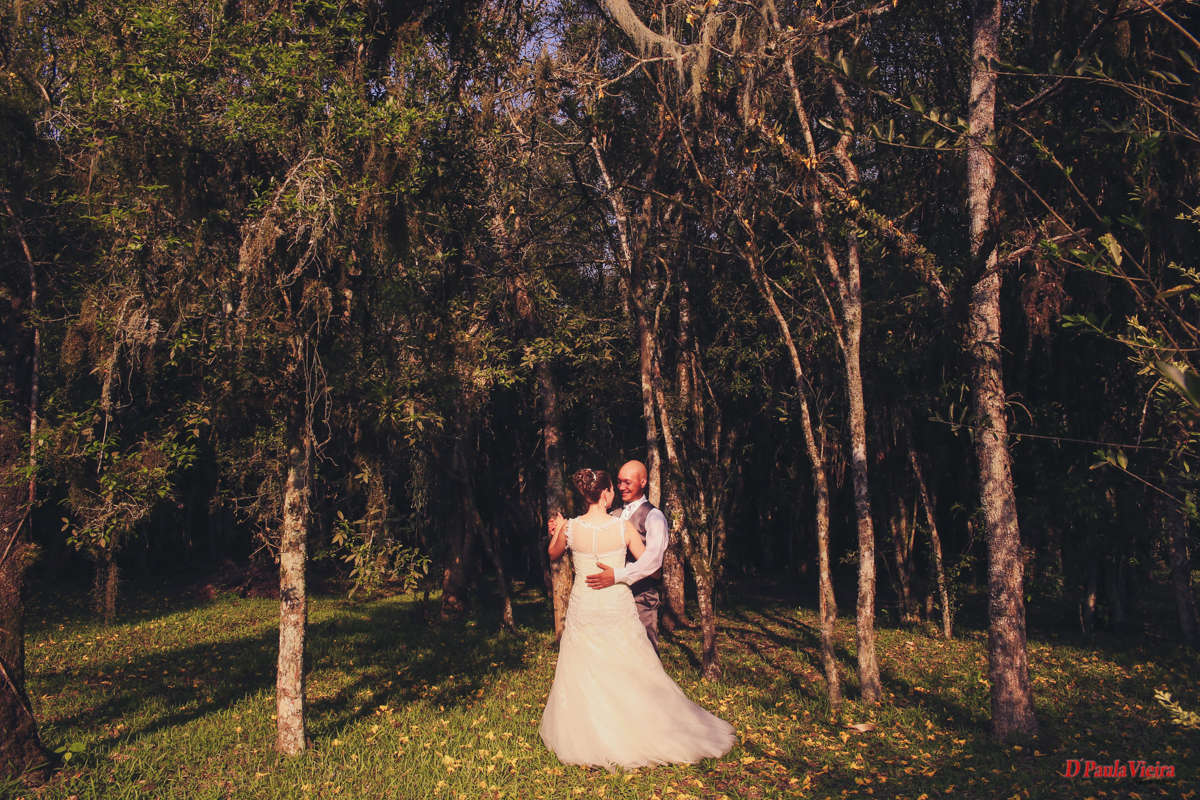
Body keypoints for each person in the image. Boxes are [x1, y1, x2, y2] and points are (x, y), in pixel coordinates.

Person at [539, 468, 735, 772]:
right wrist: (620, 572)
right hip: (616, 604)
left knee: (586, 667)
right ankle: (639, 725)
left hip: (584, 607)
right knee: (626, 665)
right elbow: (652, 568)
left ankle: (592, 733)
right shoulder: (623, 528)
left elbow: (553, 554)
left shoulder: (571, 528)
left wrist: (559, 527)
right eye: (612, 489)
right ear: (605, 494)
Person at [551, 460, 667, 651]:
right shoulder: (614, 515)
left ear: (643, 482)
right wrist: (559, 530)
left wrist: (617, 575)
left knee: (645, 657)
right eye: (619, 482)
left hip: (640, 597)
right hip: (607, 598)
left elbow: (654, 561)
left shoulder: (654, 517)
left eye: (627, 482)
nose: (622, 487)